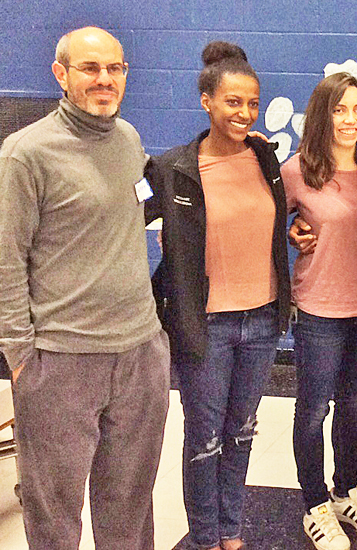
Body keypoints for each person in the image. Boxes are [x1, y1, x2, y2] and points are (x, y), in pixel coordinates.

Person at [0, 26, 170, 549]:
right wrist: (21, 356)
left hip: (140, 353)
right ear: (61, 74)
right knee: (54, 512)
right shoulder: (25, 154)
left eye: (115, 68)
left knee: (130, 507)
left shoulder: (129, 139)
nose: (105, 80)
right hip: (60, 362)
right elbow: (6, 260)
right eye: (90, 68)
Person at [144, 41, 291, 550]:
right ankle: (205, 538)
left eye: (252, 103)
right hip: (204, 325)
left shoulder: (266, 158)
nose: (245, 113)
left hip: (263, 319)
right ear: (206, 100)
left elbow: (268, 223)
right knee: (204, 441)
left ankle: (233, 532)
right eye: (233, 102)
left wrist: (292, 236)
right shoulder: (172, 169)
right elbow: (119, 222)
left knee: (243, 432)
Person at [281, 73, 357, 550]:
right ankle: (315, 505)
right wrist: (292, 231)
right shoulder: (296, 171)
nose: (349, 120)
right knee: (312, 410)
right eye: (339, 110)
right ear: (321, 115)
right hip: (319, 310)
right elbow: (269, 226)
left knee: (353, 405)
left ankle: (346, 489)